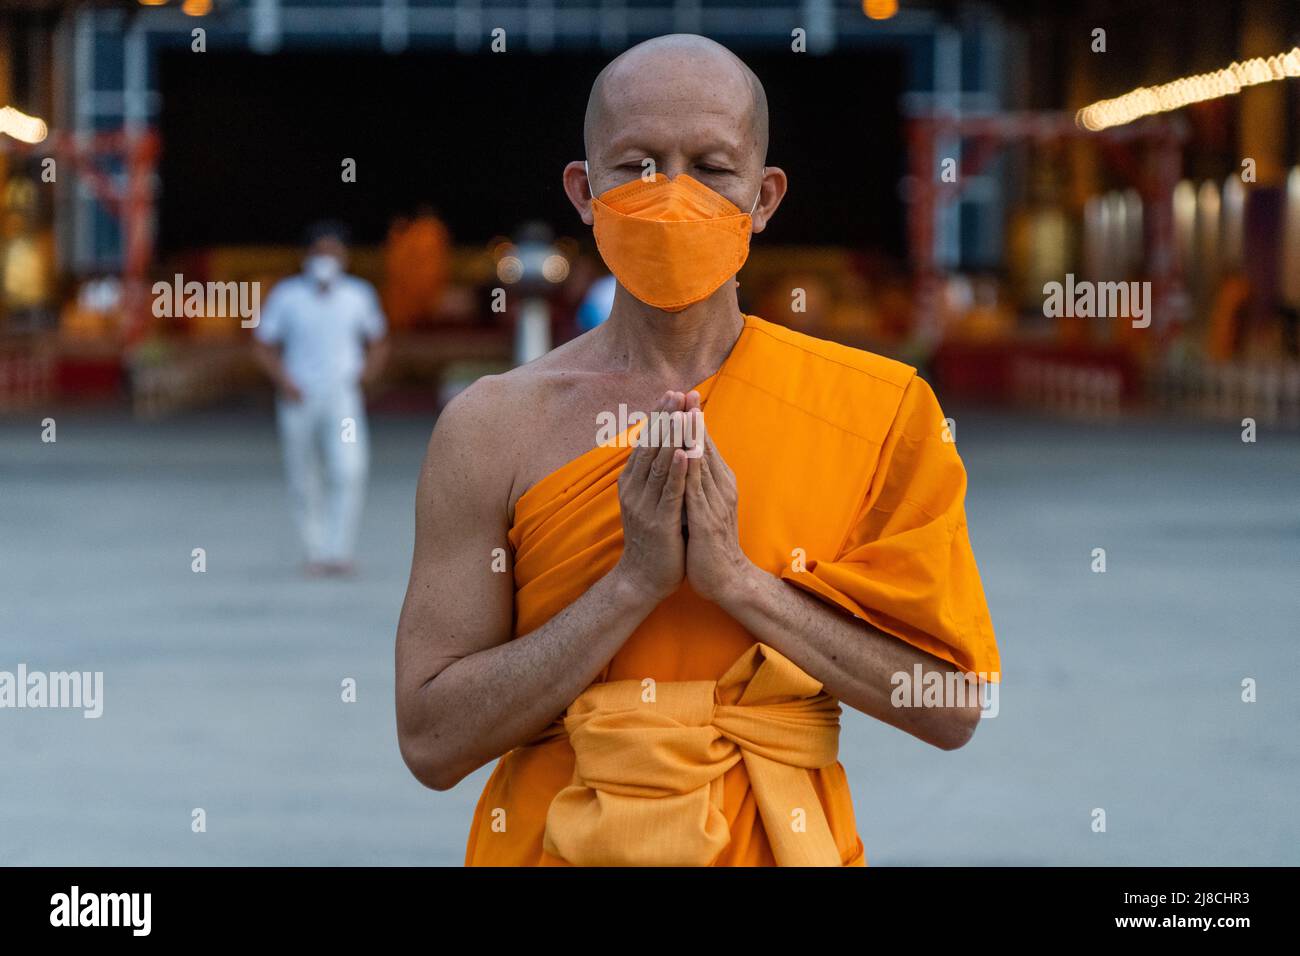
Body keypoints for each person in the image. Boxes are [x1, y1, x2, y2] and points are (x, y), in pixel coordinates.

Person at [395, 35, 1000, 866]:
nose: (673, 196)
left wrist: (740, 584)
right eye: (637, 165)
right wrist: (631, 586)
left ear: (764, 195)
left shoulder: (877, 410)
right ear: (584, 190)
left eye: (712, 168)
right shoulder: (492, 426)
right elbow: (431, 740)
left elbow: (953, 706)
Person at [253, 221, 389, 576]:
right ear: (307, 255)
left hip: (342, 398)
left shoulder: (358, 294)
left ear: (344, 256)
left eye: (334, 251)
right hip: (298, 396)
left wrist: (366, 376)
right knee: (303, 473)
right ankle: (315, 552)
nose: (326, 259)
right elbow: (264, 344)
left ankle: (338, 550)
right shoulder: (287, 295)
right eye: (320, 252)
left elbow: (378, 341)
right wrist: (284, 381)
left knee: (348, 468)